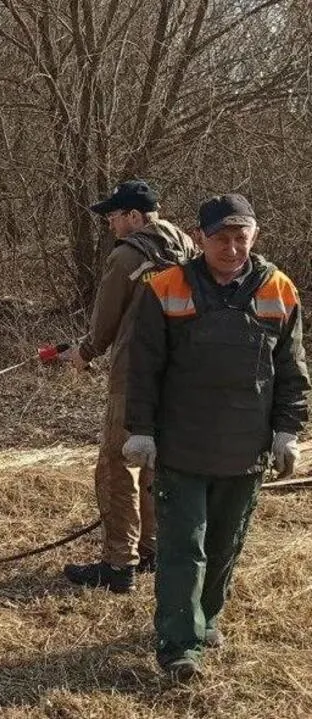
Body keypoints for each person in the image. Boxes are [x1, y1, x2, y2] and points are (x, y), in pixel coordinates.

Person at [124, 194, 309, 681]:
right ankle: (179, 646)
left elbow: (291, 371)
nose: (231, 248)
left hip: (245, 450)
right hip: (182, 447)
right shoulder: (163, 287)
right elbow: (142, 369)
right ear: (201, 237)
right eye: (221, 238)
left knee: (225, 546)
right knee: (185, 547)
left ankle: (204, 622)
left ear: (255, 237)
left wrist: (287, 432)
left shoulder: (280, 290)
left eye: (240, 238)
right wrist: (140, 431)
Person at [61, 180, 196, 593]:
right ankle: (152, 549)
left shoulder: (126, 256)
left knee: (116, 465)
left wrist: (84, 352)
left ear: (136, 217)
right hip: (177, 376)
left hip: (133, 375)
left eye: (114, 216)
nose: (110, 224)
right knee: (157, 462)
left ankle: (119, 565)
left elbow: (105, 320)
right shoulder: (189, 247)